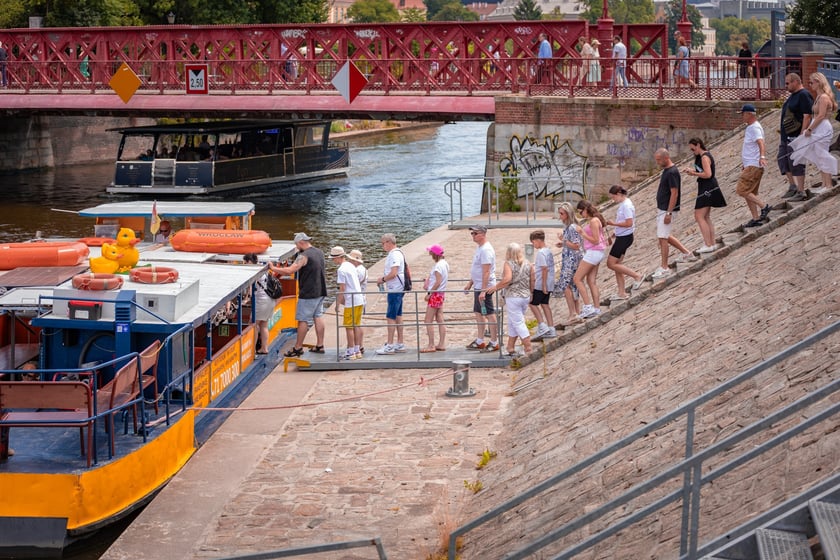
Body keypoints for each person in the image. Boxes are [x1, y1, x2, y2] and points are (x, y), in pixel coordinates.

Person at [271, 232, 327, 358]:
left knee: (302, 320)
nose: (297, 247)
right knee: (318, 316)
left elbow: (291, 270)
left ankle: (298, 347)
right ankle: (320, 345)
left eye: (297, 245)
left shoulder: (304, 256)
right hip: (320, 290)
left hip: (308, 292)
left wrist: (273, 268)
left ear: (301, 242)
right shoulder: (319, 252)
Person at [652, 148, 696, 279]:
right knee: (664, 235)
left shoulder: (672, 172)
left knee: (663, 238)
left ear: (666, 158)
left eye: (659, 160)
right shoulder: (667, 171)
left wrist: (669, 213)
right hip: (662, 209)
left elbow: (674, 193)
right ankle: (687, 253)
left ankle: (664, 267)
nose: (658, 162)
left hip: (667, 210)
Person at [790, 72, 838, 193]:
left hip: (822, 128)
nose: (810, 85)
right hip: (817, 126)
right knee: (818, 155)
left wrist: (810, 129)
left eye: (811, 82)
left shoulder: (823, 98)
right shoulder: (818, 97)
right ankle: (824, 183)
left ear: (819, 82)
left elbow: (821, 115)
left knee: (822, 154)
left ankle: (828, 185)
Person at [485, 243, 533, 357]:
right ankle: (510, 347)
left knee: (518, 322)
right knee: (513, 322)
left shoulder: (509, 264)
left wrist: (495, 287)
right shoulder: (528, 264)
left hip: (513, 296)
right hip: (525, 295)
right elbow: (533, 279)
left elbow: (507, 279)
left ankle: (528, 347)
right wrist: (531, 292)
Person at [684, 138, 727, 252]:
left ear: (698, 145)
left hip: (707, 187)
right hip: (705, 186)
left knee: (699, 216)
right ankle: (711, 243)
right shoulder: (701, 157)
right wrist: (692, 170)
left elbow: (708, 174)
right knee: (705, 216)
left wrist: (693, 173)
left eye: (693, 149)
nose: (693, 152)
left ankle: (708, 244)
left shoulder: (704, 157)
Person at [605, 185, 646, 300]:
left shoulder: (626, 205)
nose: (613, 200)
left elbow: (629, 223)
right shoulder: (624, 204)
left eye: (613, 197)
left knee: (611, 264)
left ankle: (637, 276)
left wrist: (613, 224)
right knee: (617, 265)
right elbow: (623, 222)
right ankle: (621, 293)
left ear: (618, 194)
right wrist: (615, 232)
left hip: (624, 238)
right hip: (622, 236)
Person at [735, 104, 771, 228]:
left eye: (743, 114)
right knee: (749, 192)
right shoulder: (751, 127)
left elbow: (760, 142)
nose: (742, 117)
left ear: (749, 114)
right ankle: (755, 218)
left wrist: (762, 157)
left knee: (742, 190)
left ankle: (764, 206)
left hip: (754, 165)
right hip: (750, 164)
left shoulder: (754, 128)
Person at [778, 73, 813, 201]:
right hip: (786, 136)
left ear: (796, 82)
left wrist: (802, 133)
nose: (786, 86)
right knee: (783, 160)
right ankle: (792, 186)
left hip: (795, 136)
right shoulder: (792, 96)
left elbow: (807, 115)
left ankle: (801, 190)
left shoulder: (803, 95)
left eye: (788, 83)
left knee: (796, 162)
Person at [465, 225, 499, 352]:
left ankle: (494, 341)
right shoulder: (480, 248)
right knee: (478, 313)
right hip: (479, 286)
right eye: (472, 233)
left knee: (489, 313)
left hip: (485, 288)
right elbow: (477, 269)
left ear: (483, 234)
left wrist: (484, 291)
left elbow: (486, 272)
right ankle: (480, 340)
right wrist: (470, 283)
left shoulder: (486, 250)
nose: (473, 235)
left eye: (475, 233)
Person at [573, 200, 607, 319]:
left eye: (581, 212)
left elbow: (596, 240)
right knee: (591, 280)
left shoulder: (593, 221)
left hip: (594, 252)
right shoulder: (595, 219)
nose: (581, 215)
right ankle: (596, 308)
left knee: (577, 278)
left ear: (586, 209)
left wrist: (582, 233)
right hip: (596, 252)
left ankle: (588, 307)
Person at [375, 233, 407, 355]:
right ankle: (400, 343)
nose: (382, 246)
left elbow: (394, 273)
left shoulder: (394, 255)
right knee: (398, 315)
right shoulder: (397, 253)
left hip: (395, 289)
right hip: (398, 288)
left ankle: (390, 345)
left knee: (391, 316)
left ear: (389, 242)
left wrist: (382, 279)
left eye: (383, 243)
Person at [330, 247, 364, 361]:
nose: (333, 261)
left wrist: (338, 304)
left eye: (333, 259)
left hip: (351, 301)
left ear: (338, 258)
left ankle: (350, 351)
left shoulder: (341, 270)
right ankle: (357, 349)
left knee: (349, 327)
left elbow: (342, 289)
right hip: (359, 299)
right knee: (357, 325)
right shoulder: (350, 265)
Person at [553, 202, 584, 326]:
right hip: (570, 258)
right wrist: (563, 244)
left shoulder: (571, 227)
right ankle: (576, 312)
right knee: (572, 285)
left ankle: (572, 313)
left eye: (562, 213)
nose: (560, 216)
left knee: (565, 285)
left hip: (572, 260)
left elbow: (576, 246)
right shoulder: (569, 227)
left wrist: (564, 241)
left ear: (568, 214)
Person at [244, 253, 276, 355]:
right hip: (270, 300)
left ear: (249, 261)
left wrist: (246, 299)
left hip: (261, 301)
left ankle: (251, 350)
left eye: (245, 262)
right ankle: (264, 348)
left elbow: (250, 288)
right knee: (264, 325)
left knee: (253, 325)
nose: (244, 264)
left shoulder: (254, 272)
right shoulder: (264, 269)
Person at [420, 244, 449, 353]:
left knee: (428, 320)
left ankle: (431, 344)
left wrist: (430, 294)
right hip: (441, 294)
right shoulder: (444, 264)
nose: (430, 255)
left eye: (431, 253)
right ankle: (441, 343)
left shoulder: (438, 266)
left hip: (436, 295)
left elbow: (438, 281)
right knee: (440, 318)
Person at [528, 230, 556, 339]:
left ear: (537, 241)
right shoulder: (548, 251)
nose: (533, 245)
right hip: (550, 282)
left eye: (533, 242)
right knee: (545, 304)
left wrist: (543, 285)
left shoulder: (540, 253)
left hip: (540, 284)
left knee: (532, 303)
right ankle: (551, 328)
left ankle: (542, 325)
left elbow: (544, 269)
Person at [347, 249, 367, 354]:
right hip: (362, 298)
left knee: (355, 324)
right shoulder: (362, 269)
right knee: (358, 324)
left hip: (357, 299)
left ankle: (357, 346)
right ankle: (359, 345)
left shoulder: (358, 270)